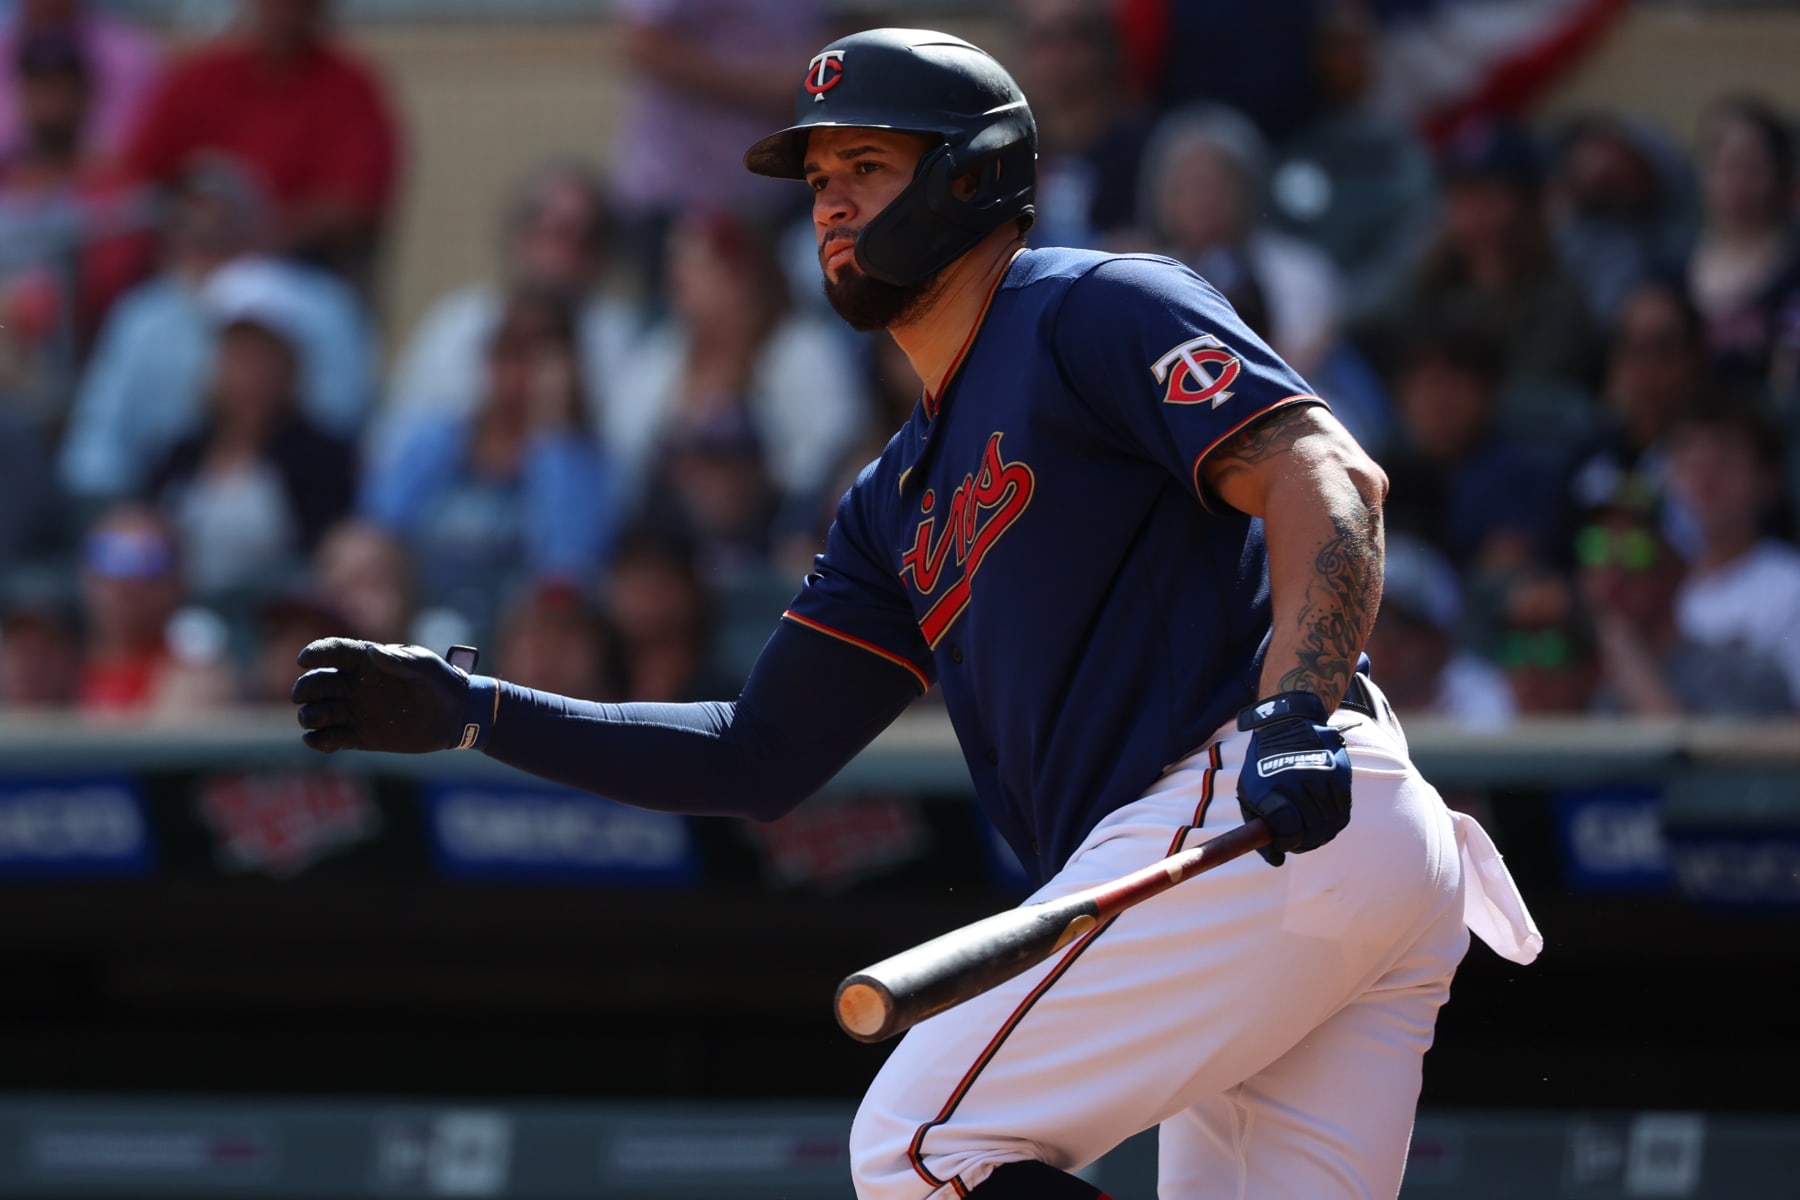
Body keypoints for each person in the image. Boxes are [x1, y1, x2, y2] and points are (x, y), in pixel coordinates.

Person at [292, 30, 1539, 1200]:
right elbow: (758, 753)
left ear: (973, 175)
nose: (828, 201)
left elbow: (1330, 479)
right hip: (1292, 865)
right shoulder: (891, 501)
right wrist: (483, 713)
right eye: (819, 175)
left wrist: (1296, 710)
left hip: (1247, 805)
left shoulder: (1089, 303)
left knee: (917, 1143)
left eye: (868, 166)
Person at [120, 0, 402, 286]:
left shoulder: (350, 89)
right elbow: (141, 172)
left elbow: (354, 204)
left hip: (299, 274)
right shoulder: (202, 78)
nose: (285, 10)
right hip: (191, 267)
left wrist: (261, 240)